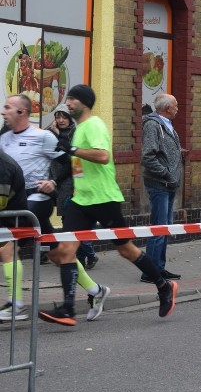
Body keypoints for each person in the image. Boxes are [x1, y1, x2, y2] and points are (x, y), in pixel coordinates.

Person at [38, 85, 177, 326]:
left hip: (104, 199)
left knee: (126, 250)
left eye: (72, 99)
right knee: (65, 252)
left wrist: (71, 148)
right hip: (81, 201)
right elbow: (76, 166)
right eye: (68, 99)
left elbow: (102, 156)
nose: (68, 103)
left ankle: (164, 286)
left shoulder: (95, 125)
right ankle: (68, 308)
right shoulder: (79, 129)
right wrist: (54, 180)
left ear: (84, 103)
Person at [0, 93, 111, 324]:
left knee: (7, 249)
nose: (3, 112)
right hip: (14, 202)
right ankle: (95, 290)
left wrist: (55, 183)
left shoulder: (43, 137)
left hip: (35, 202)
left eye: (8, 107)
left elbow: (73, 162)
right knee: (58, 253)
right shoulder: (4, 137)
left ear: (22, 111)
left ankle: (16, 304)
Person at [140, 93, 183, 283]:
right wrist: (166, 173)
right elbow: (148, 157)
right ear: (166, 108)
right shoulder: (152, 125)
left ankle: (159, 267)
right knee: (158, 229)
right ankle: (150, 272)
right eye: (175, 105)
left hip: (169, 184)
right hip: (160, 184)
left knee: (164, 227)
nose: (177, 108)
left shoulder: (166, 124)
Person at [48, 104, 97, 269]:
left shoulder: (76, 134)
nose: (60, 120)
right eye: (58, 116)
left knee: (72, 220)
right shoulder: (50, 133)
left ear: (70, 118)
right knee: (66, 219)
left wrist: (78, 184)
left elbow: (74, 161)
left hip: (72, 181)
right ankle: (79, 255)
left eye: (64, 116)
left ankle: (84, 255)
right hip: (55, 181)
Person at [0, 149, 28, 322]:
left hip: (14, 220)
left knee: (7, 253)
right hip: (7, 217)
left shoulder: (4, 165)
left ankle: (16, 305)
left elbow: (1, 201)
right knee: (59, 253)